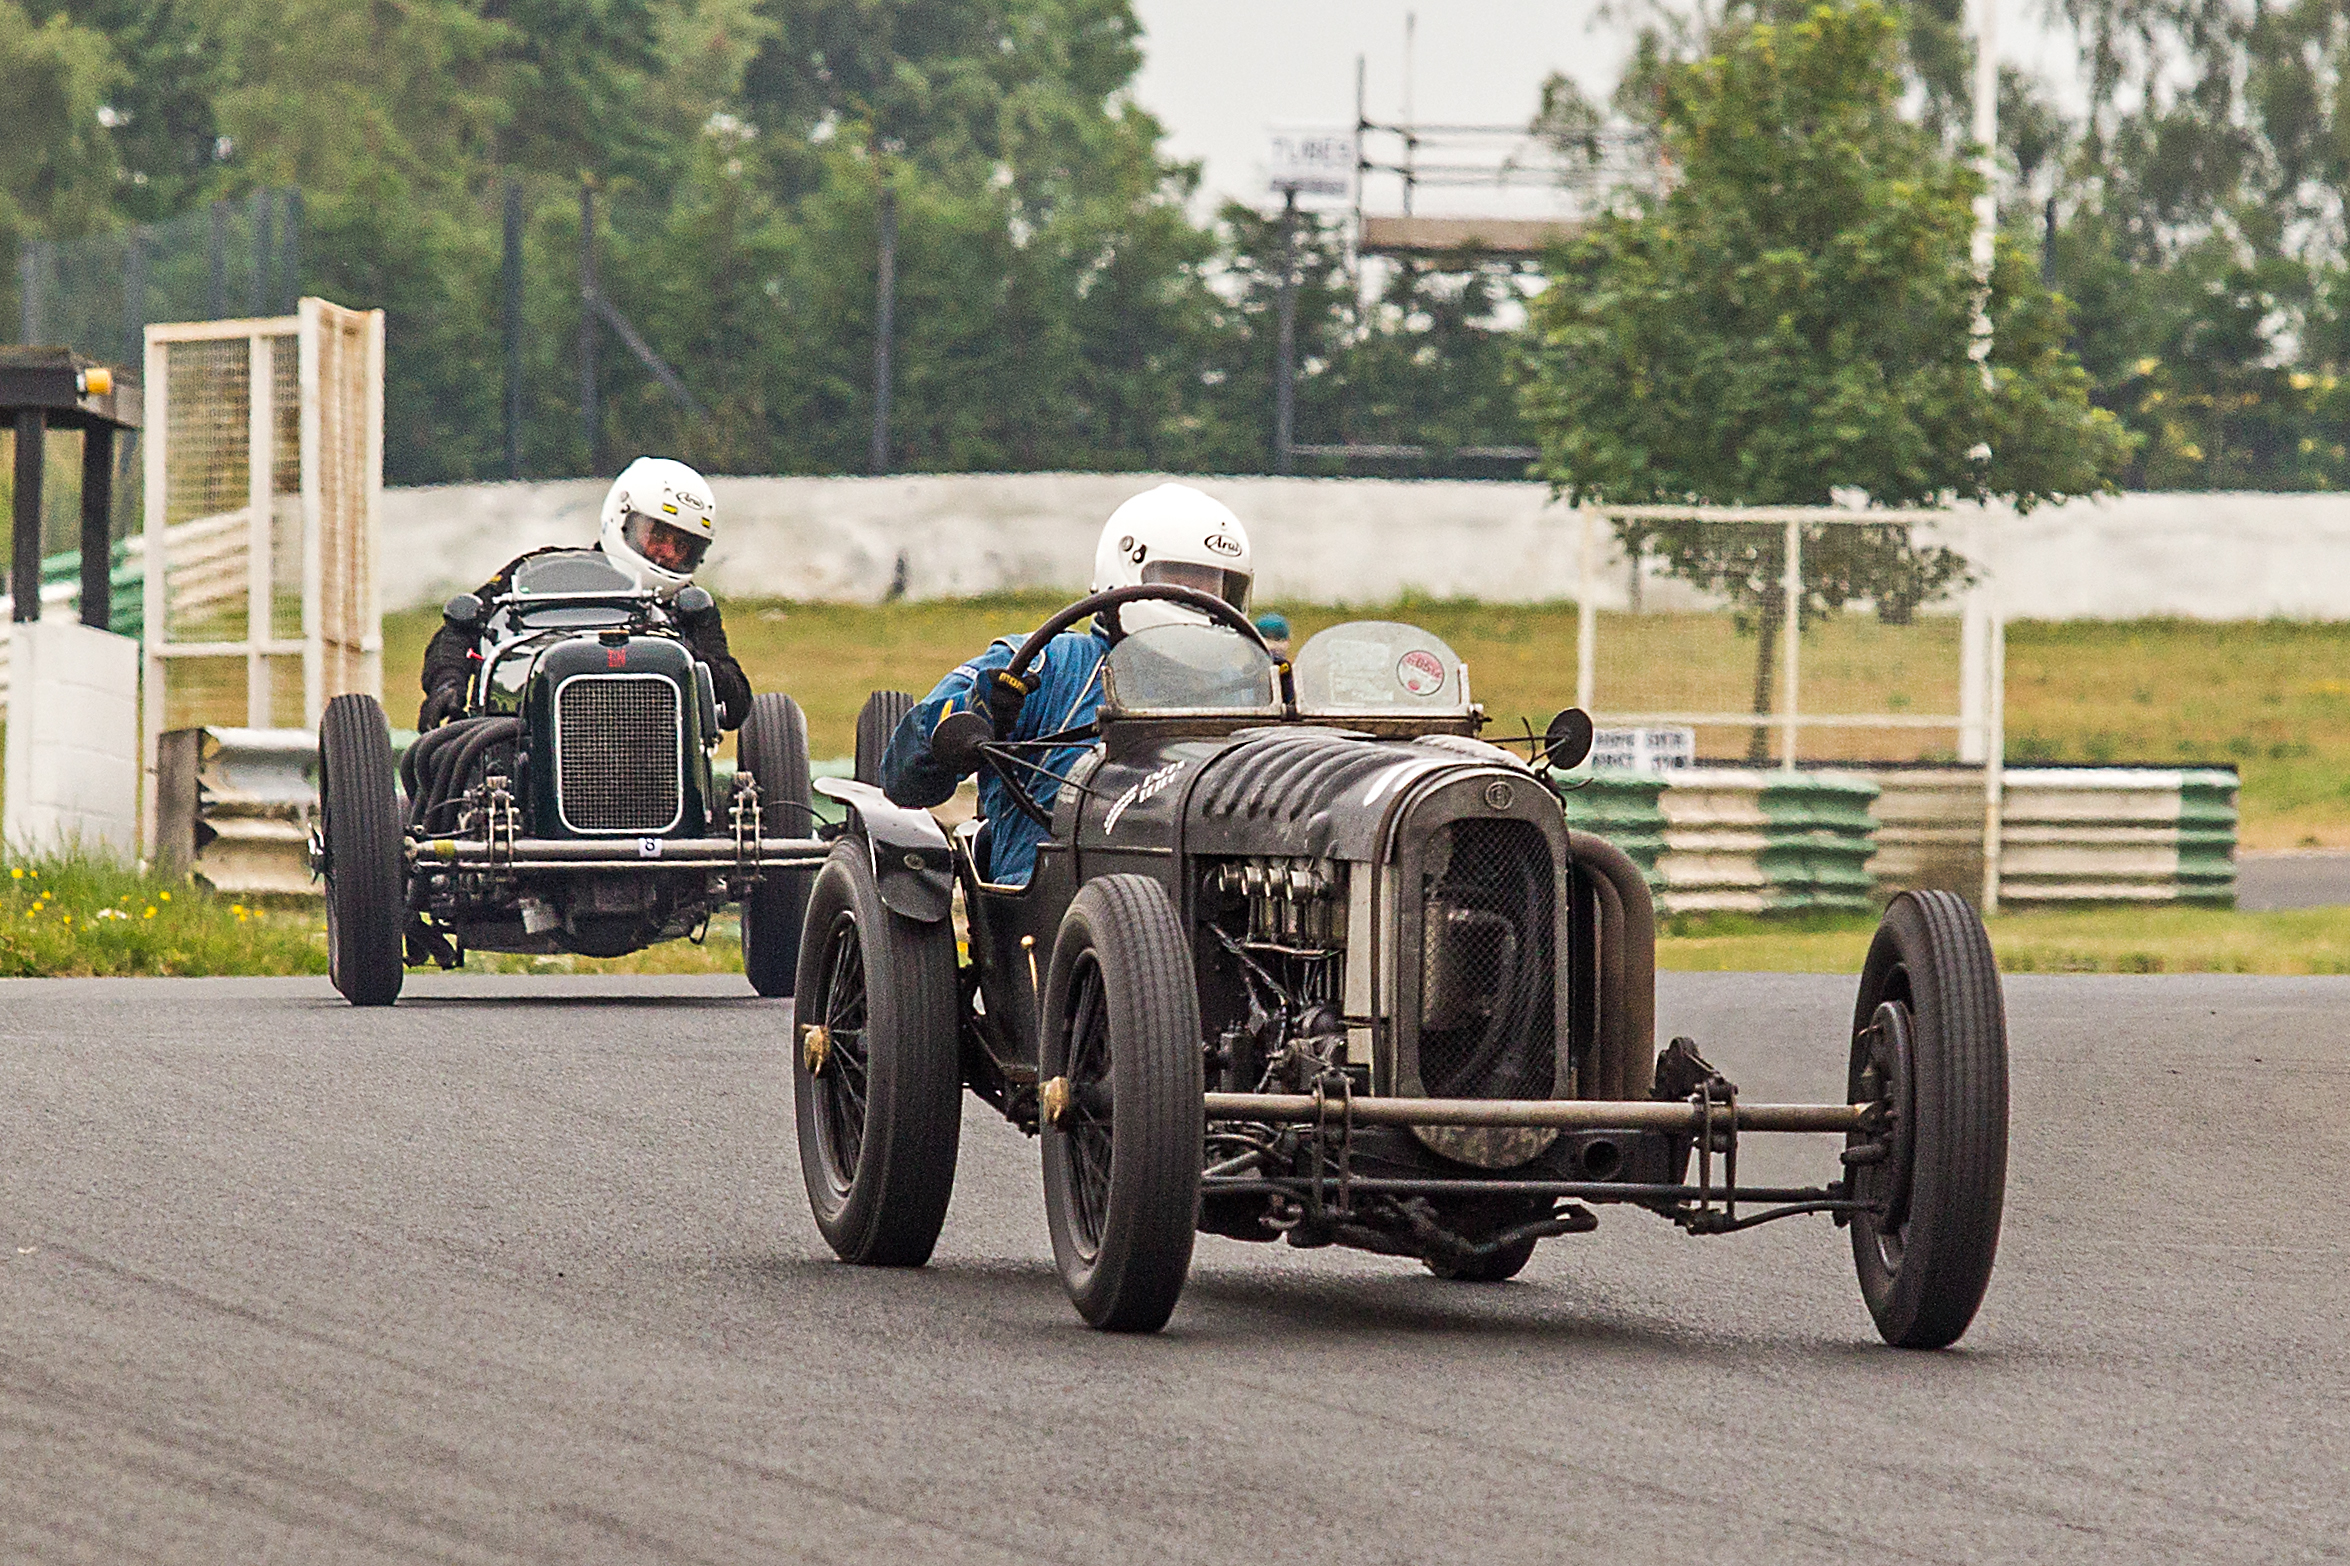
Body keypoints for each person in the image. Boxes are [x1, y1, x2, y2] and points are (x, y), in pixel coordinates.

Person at [881, 482, 1254, 886]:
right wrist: (979, 710)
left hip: (1204, 894)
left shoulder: (1244, 688)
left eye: (1213, 586)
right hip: (1054, 901)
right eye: (1181, 579)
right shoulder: (1040, 665)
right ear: (1128, 571)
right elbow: (903, 779)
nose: (1199, 598)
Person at [417, 456, 753, 730]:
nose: (665, 552)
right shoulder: (536, 572)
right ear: (622, 520)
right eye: (658, 535)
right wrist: (448, 684)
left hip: (652, 747)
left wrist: (685, 653)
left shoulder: (690, 607)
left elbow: (736, 702)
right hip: (527, 738)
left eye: (681, 546)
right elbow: (459, 629)